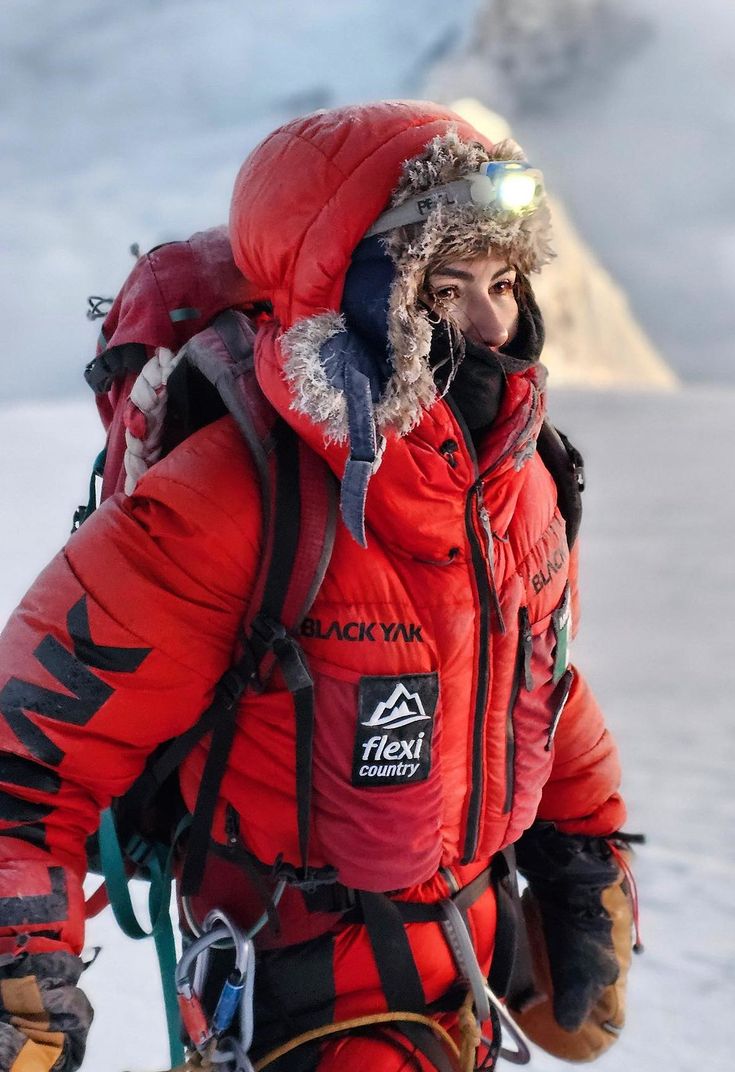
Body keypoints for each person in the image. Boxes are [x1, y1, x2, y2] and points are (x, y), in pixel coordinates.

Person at [0, 100, 637, 1072]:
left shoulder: (525, 477)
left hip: (465, 975)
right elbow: (32, 750)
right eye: (443, 284)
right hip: (297, 1001)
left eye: (504, 280)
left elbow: (537, 673)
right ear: (351, 294)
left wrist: (584, 856)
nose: (489, 323)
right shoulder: (230, 499)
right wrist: (24, 966)